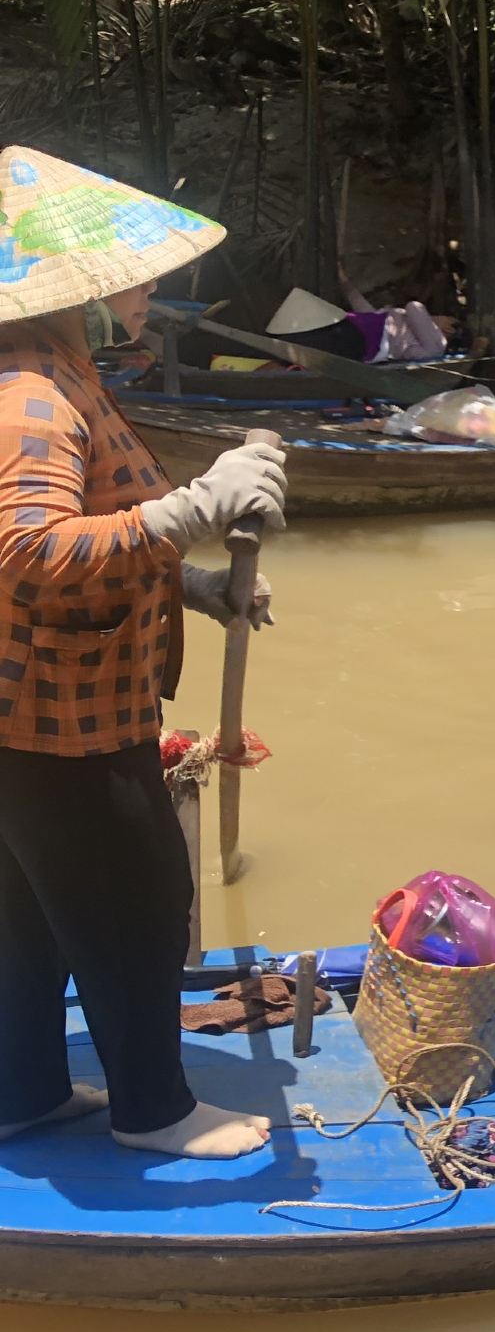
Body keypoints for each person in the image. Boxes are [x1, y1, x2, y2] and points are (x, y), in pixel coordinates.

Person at [0, 147, 288, 1159]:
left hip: (29, 708)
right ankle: (153, 1112)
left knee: (30, 920)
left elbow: (94, 525)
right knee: (137, 908)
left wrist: (196, 586)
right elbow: (31, 551)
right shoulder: (31, 394)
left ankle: (24, 1090)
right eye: (133, 271)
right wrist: (199, 507)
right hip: (63, 718)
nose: (149, 285)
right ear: (73, 286)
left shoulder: (56, 365)